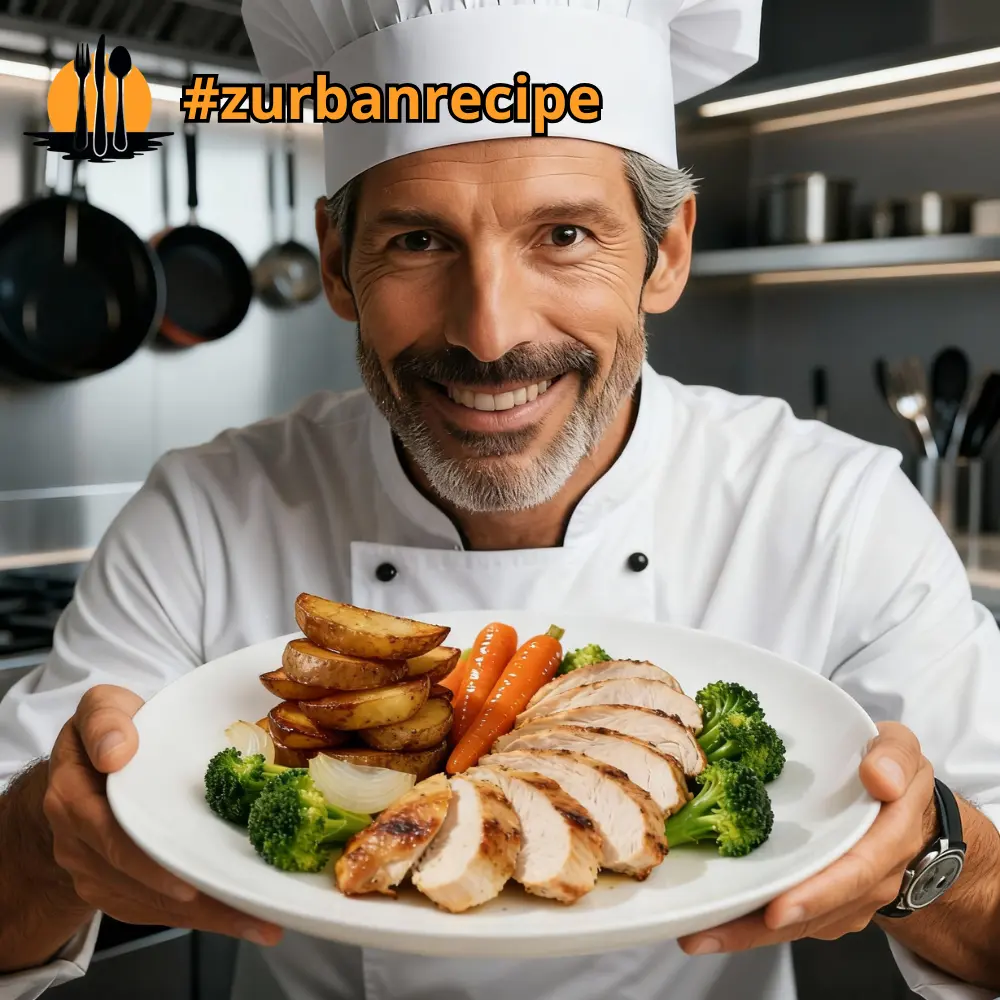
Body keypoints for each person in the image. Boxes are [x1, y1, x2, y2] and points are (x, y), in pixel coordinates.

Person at [2, 0, 1000, 998]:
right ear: (339, 264)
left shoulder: (833, 507)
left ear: (666, 251)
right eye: (418, 241)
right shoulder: (205, 512)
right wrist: (50, 842)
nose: (488, 333)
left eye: (563, 234)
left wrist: (934, 856)